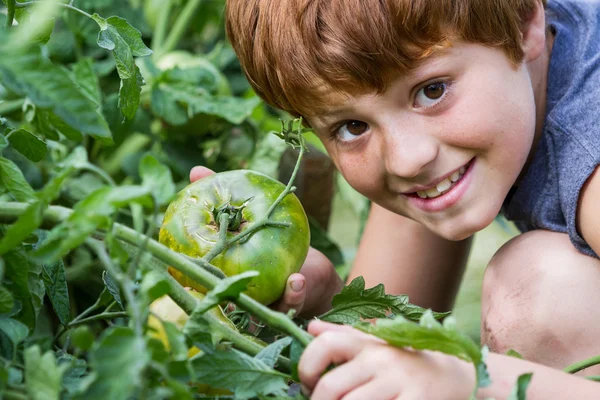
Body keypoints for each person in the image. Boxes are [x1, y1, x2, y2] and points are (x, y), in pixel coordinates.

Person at [190, 0, 600, 397]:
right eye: (353, 127)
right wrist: (321, 301)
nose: (405, 160)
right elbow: (380, 336)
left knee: (537, 292)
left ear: (525, 22)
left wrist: (475, 383)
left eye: (433, 90)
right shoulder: (438, 138)